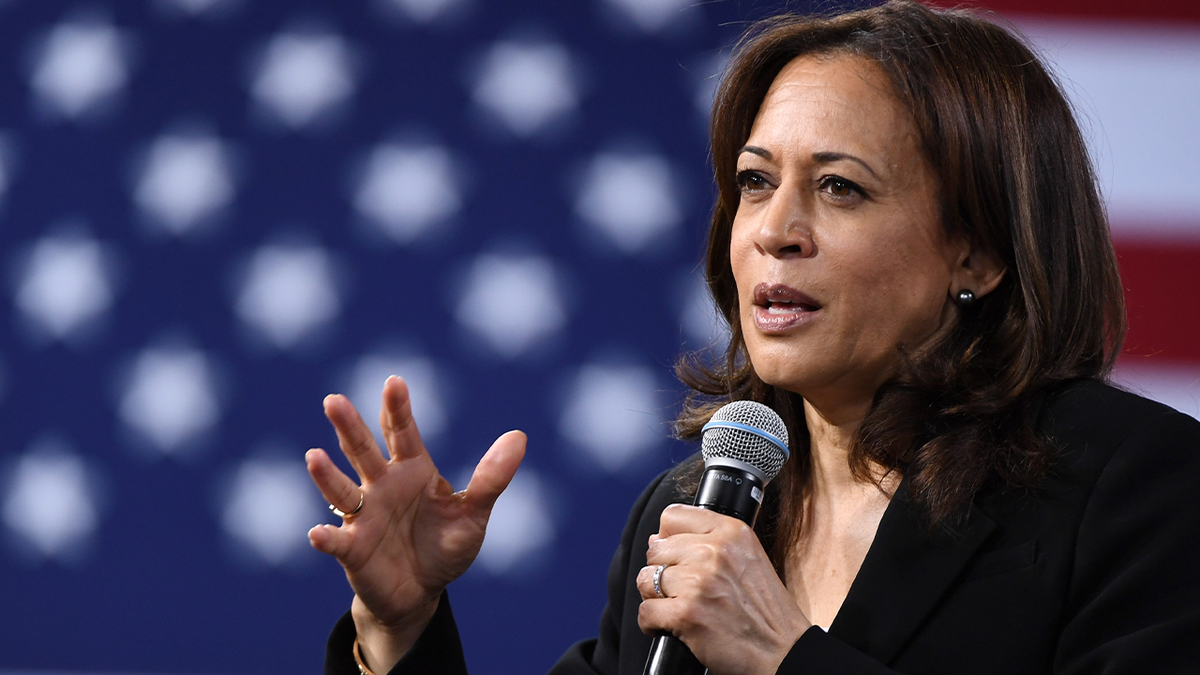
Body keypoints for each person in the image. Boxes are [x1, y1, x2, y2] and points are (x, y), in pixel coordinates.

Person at [306, 2, 1200, 673]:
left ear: (980, 250)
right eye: (755, 181)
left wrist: (785, 655)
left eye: (840, 187)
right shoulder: (696, 504)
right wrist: (405, 624)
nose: (777, 229)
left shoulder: (1134, 488)